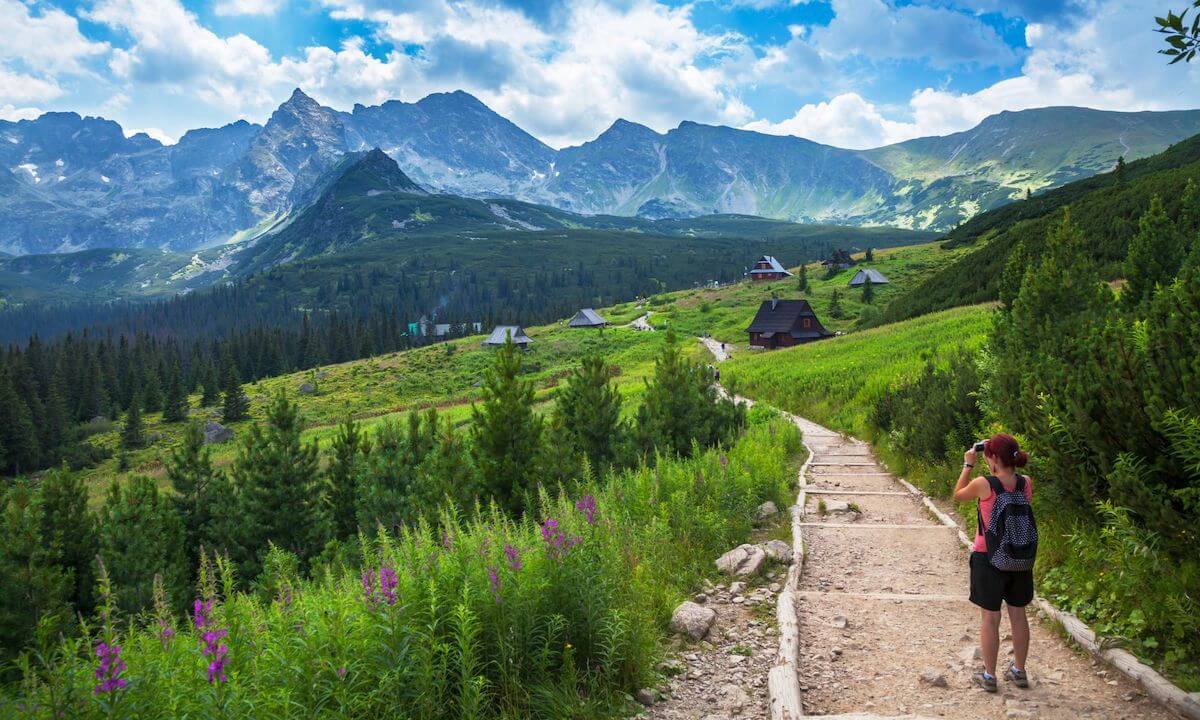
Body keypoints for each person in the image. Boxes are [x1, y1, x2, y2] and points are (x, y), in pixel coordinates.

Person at [953, 433, 1033, 693]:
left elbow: (958, 495)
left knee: (990, 617)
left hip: (988, 558)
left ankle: (989, 676)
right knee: (1018, 615)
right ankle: (1019, 671)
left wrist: (968, 464)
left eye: (988, 455)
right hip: (1020, 558)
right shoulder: (1025, 483)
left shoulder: (983, 484)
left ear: (994, 458)